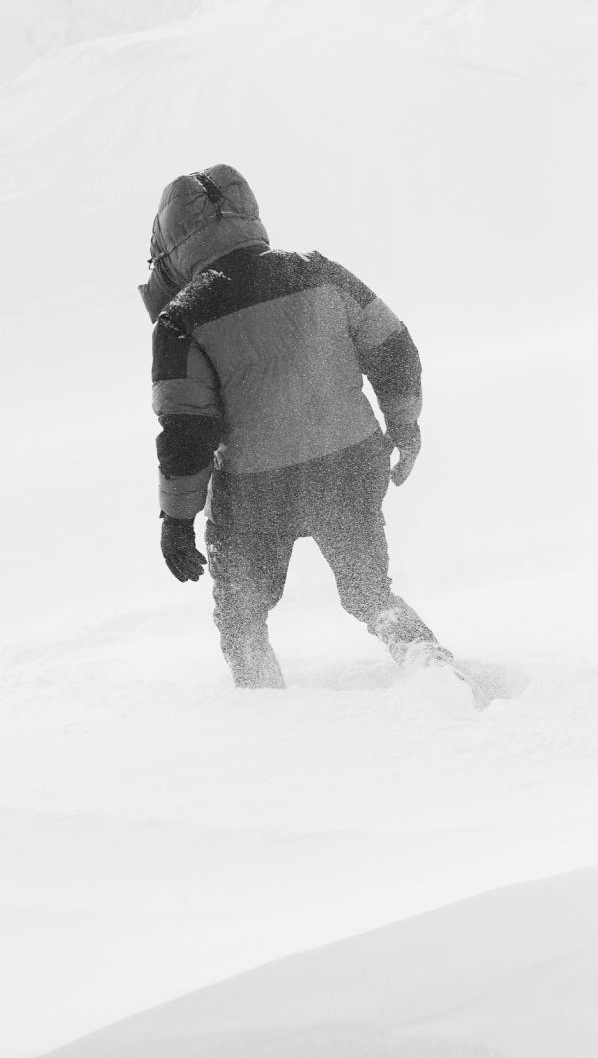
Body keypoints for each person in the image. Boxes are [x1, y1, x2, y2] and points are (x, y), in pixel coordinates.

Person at [142, 164, 449, 689]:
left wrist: (177, 520)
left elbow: (187, 434)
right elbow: (393, 348)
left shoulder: (180, 320)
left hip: (257, 493)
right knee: (370, 593)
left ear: (171, 248)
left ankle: (265, 716)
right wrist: (404, 425)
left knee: (242, 617)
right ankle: (436, 674)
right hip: (350, 466)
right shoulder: (320, 272)